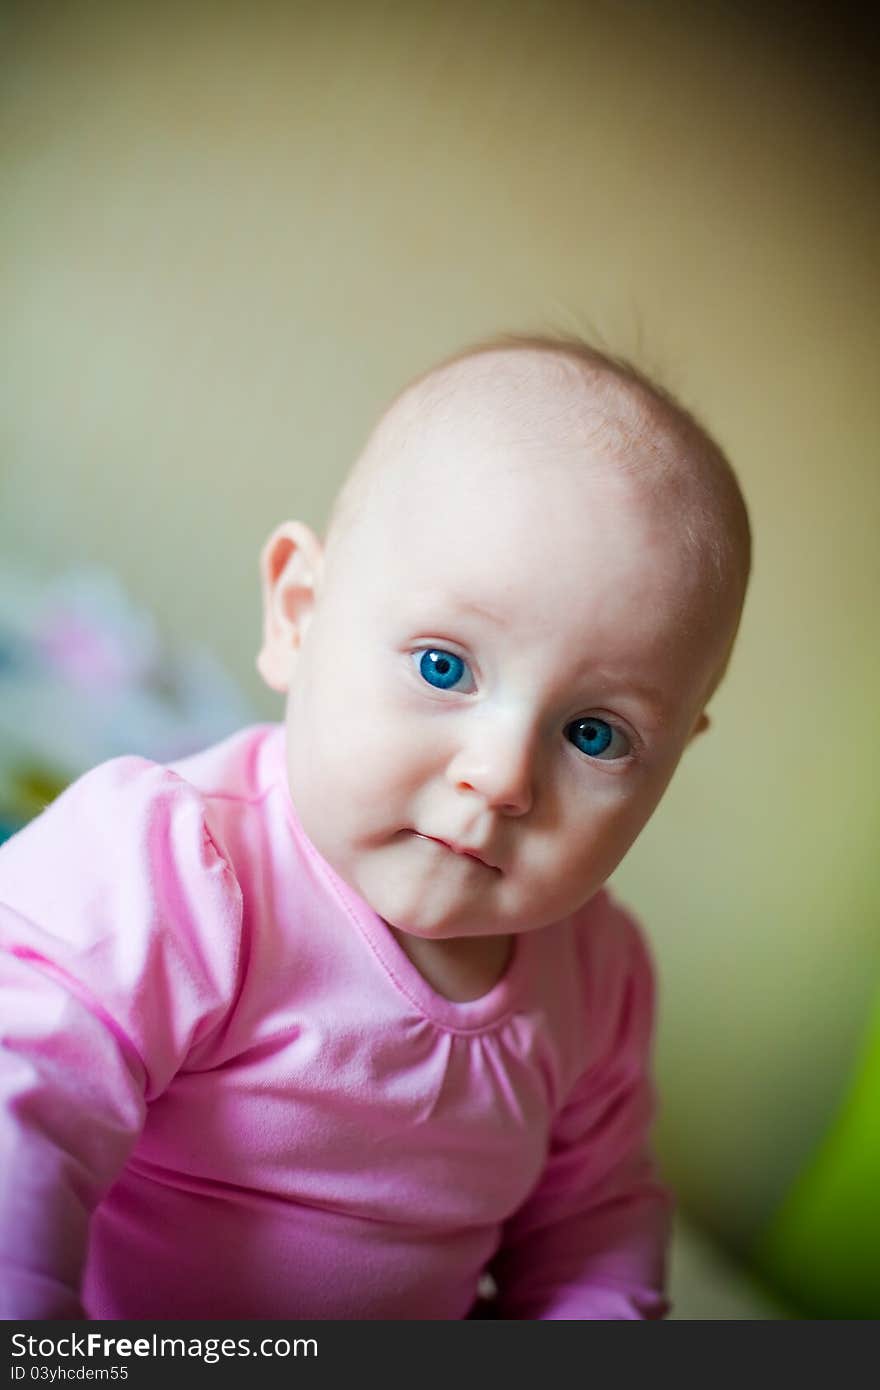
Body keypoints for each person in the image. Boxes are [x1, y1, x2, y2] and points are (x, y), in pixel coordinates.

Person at [0, 335, 751, 1319]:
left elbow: (593, 1224)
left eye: (594, 732)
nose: (501, 775)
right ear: (299, 615)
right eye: (444, 666)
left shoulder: (598, 979)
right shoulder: (169, 866)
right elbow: (25, 1115)